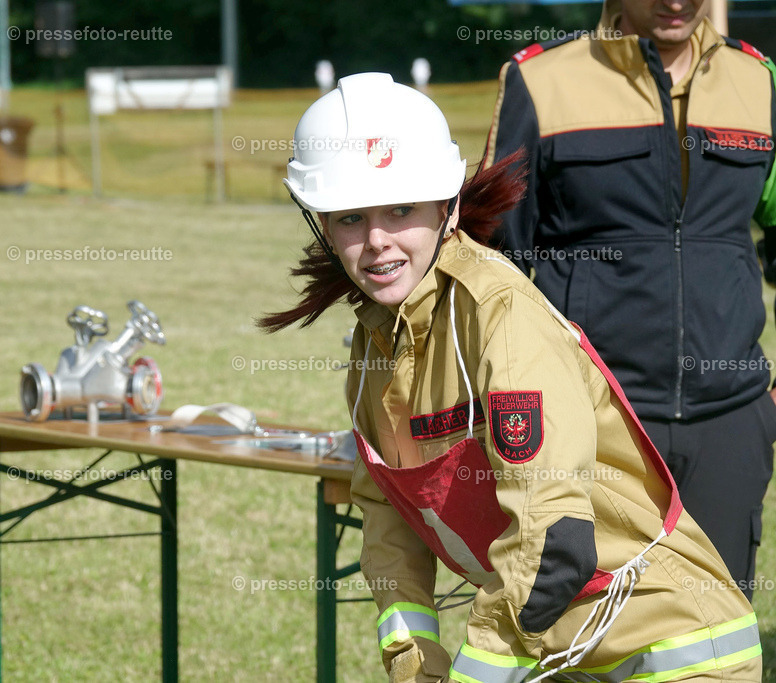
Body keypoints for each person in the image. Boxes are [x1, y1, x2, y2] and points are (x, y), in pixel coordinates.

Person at [260, 72, 761, 682]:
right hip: (555, 654)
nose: (377, 242)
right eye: (349, 218)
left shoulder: (500, 314)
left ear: (447, 209)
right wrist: (413, 657)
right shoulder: (375, 342)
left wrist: (476, 673)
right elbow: (387, 518)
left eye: (401, 210)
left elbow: (553, 540)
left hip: (674, 654)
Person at [483, 0, 776, 600]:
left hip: (731, 425)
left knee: (713, 640)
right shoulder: (541, 81)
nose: (677, 2)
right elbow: (495, 265)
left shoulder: (758, 79)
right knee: (592, 638)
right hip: (592, 424)